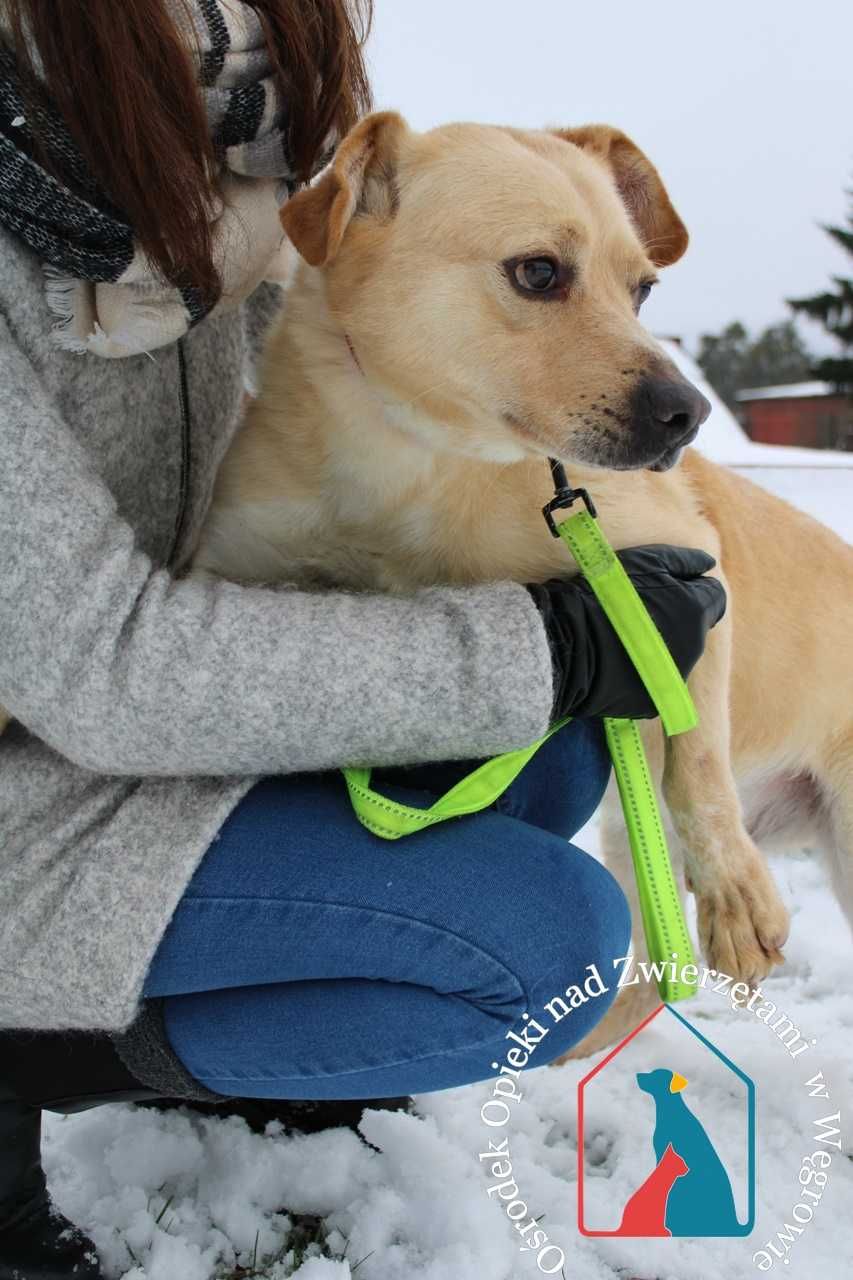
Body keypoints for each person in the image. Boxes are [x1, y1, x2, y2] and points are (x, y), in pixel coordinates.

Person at [0, 2, 726, 1276]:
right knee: (543, 947)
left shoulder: (238, 169)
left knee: (544, 757)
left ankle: (234, 1032)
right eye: (542, 277)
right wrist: (542, 645)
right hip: (47, 745)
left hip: (115, 742)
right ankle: (25, 1058)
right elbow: (99, 663)